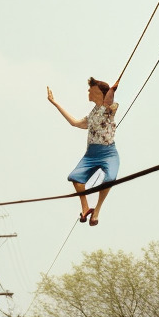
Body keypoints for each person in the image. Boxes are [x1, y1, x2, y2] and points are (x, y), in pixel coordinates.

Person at [47, 77, 119, 226]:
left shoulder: (109, 109)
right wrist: (55, 103)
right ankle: (85, 208)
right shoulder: (92, 115)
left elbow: (111, 105)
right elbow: (74, 123)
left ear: (98, 92)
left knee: (109, 179)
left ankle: (96, 211)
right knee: (75, 178)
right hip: (91, 155)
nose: (88, 91)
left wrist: (112, 91)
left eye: (90, 89)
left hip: (108, 154)